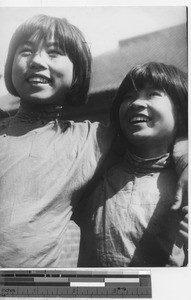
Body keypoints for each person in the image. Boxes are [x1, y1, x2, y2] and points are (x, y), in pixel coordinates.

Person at [0, 14, 188, 268]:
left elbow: (159, 140)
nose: (36, 61)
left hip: (32, 288)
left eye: (54, 52)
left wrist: (186, 157)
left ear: (77, 74)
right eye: (25, 51)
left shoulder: (92, 140)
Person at [75, 62, 188, 267]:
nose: (136, 103)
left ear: (180, 112)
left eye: (153, 94)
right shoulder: (95, 174)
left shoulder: (183, 182)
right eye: (128, 97)